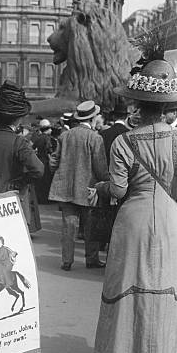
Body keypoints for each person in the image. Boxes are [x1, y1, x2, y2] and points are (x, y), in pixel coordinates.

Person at [94, 56, 177, 353]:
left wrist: (103, 186)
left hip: (132, 219)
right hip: (171, 221)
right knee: (166, 286)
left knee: (127, 284)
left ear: (137, 103)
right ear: (167, 106)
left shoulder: (123, 141)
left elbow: (118, 191)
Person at [49, 100, 109, 271]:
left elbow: (54, 161)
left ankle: (67, 260)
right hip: (88, 188)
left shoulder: (64, 136)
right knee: (91, 225)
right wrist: (106, 182)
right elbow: (100, 166)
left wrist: (58, 172)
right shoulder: (95, 138)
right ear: (92, 118)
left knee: (68, 226)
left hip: (65, 188)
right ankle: (92, 259)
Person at [0, 81, 44, 232]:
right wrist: (21, 182)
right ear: (19, 118)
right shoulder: (19, 142)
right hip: (13, 203)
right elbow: (38, 170)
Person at [32, 119, 54, 204]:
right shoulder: (47, 139)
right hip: (46, 161)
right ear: (46, 129)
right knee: (47, 181)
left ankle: (40, 199)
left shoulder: (38, 138)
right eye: (49, 128)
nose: (51, 130)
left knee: (40, 181)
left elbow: (33, 148)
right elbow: (49, 150)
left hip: (39, 160)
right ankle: (46, 199)